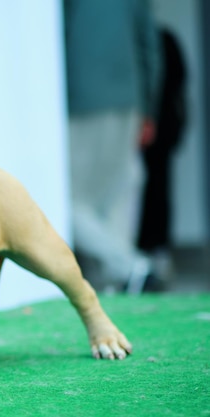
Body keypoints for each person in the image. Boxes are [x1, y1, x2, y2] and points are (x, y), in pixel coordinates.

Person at [63, 0, 162, 294]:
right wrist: (148, 108)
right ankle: (118, 279)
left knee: (66, 202)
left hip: (80, 102)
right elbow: (149, 47)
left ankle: (128, 267)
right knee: (113, 196)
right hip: (129, 99)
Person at [137, 27, 187, 288]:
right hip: (144, 124)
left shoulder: (165, 40)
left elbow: (178, 84)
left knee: (157, 189)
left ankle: (156, 252)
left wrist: (153, 117)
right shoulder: (157, 40)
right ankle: (139, 256)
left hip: (160, 125)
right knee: (139, 189)